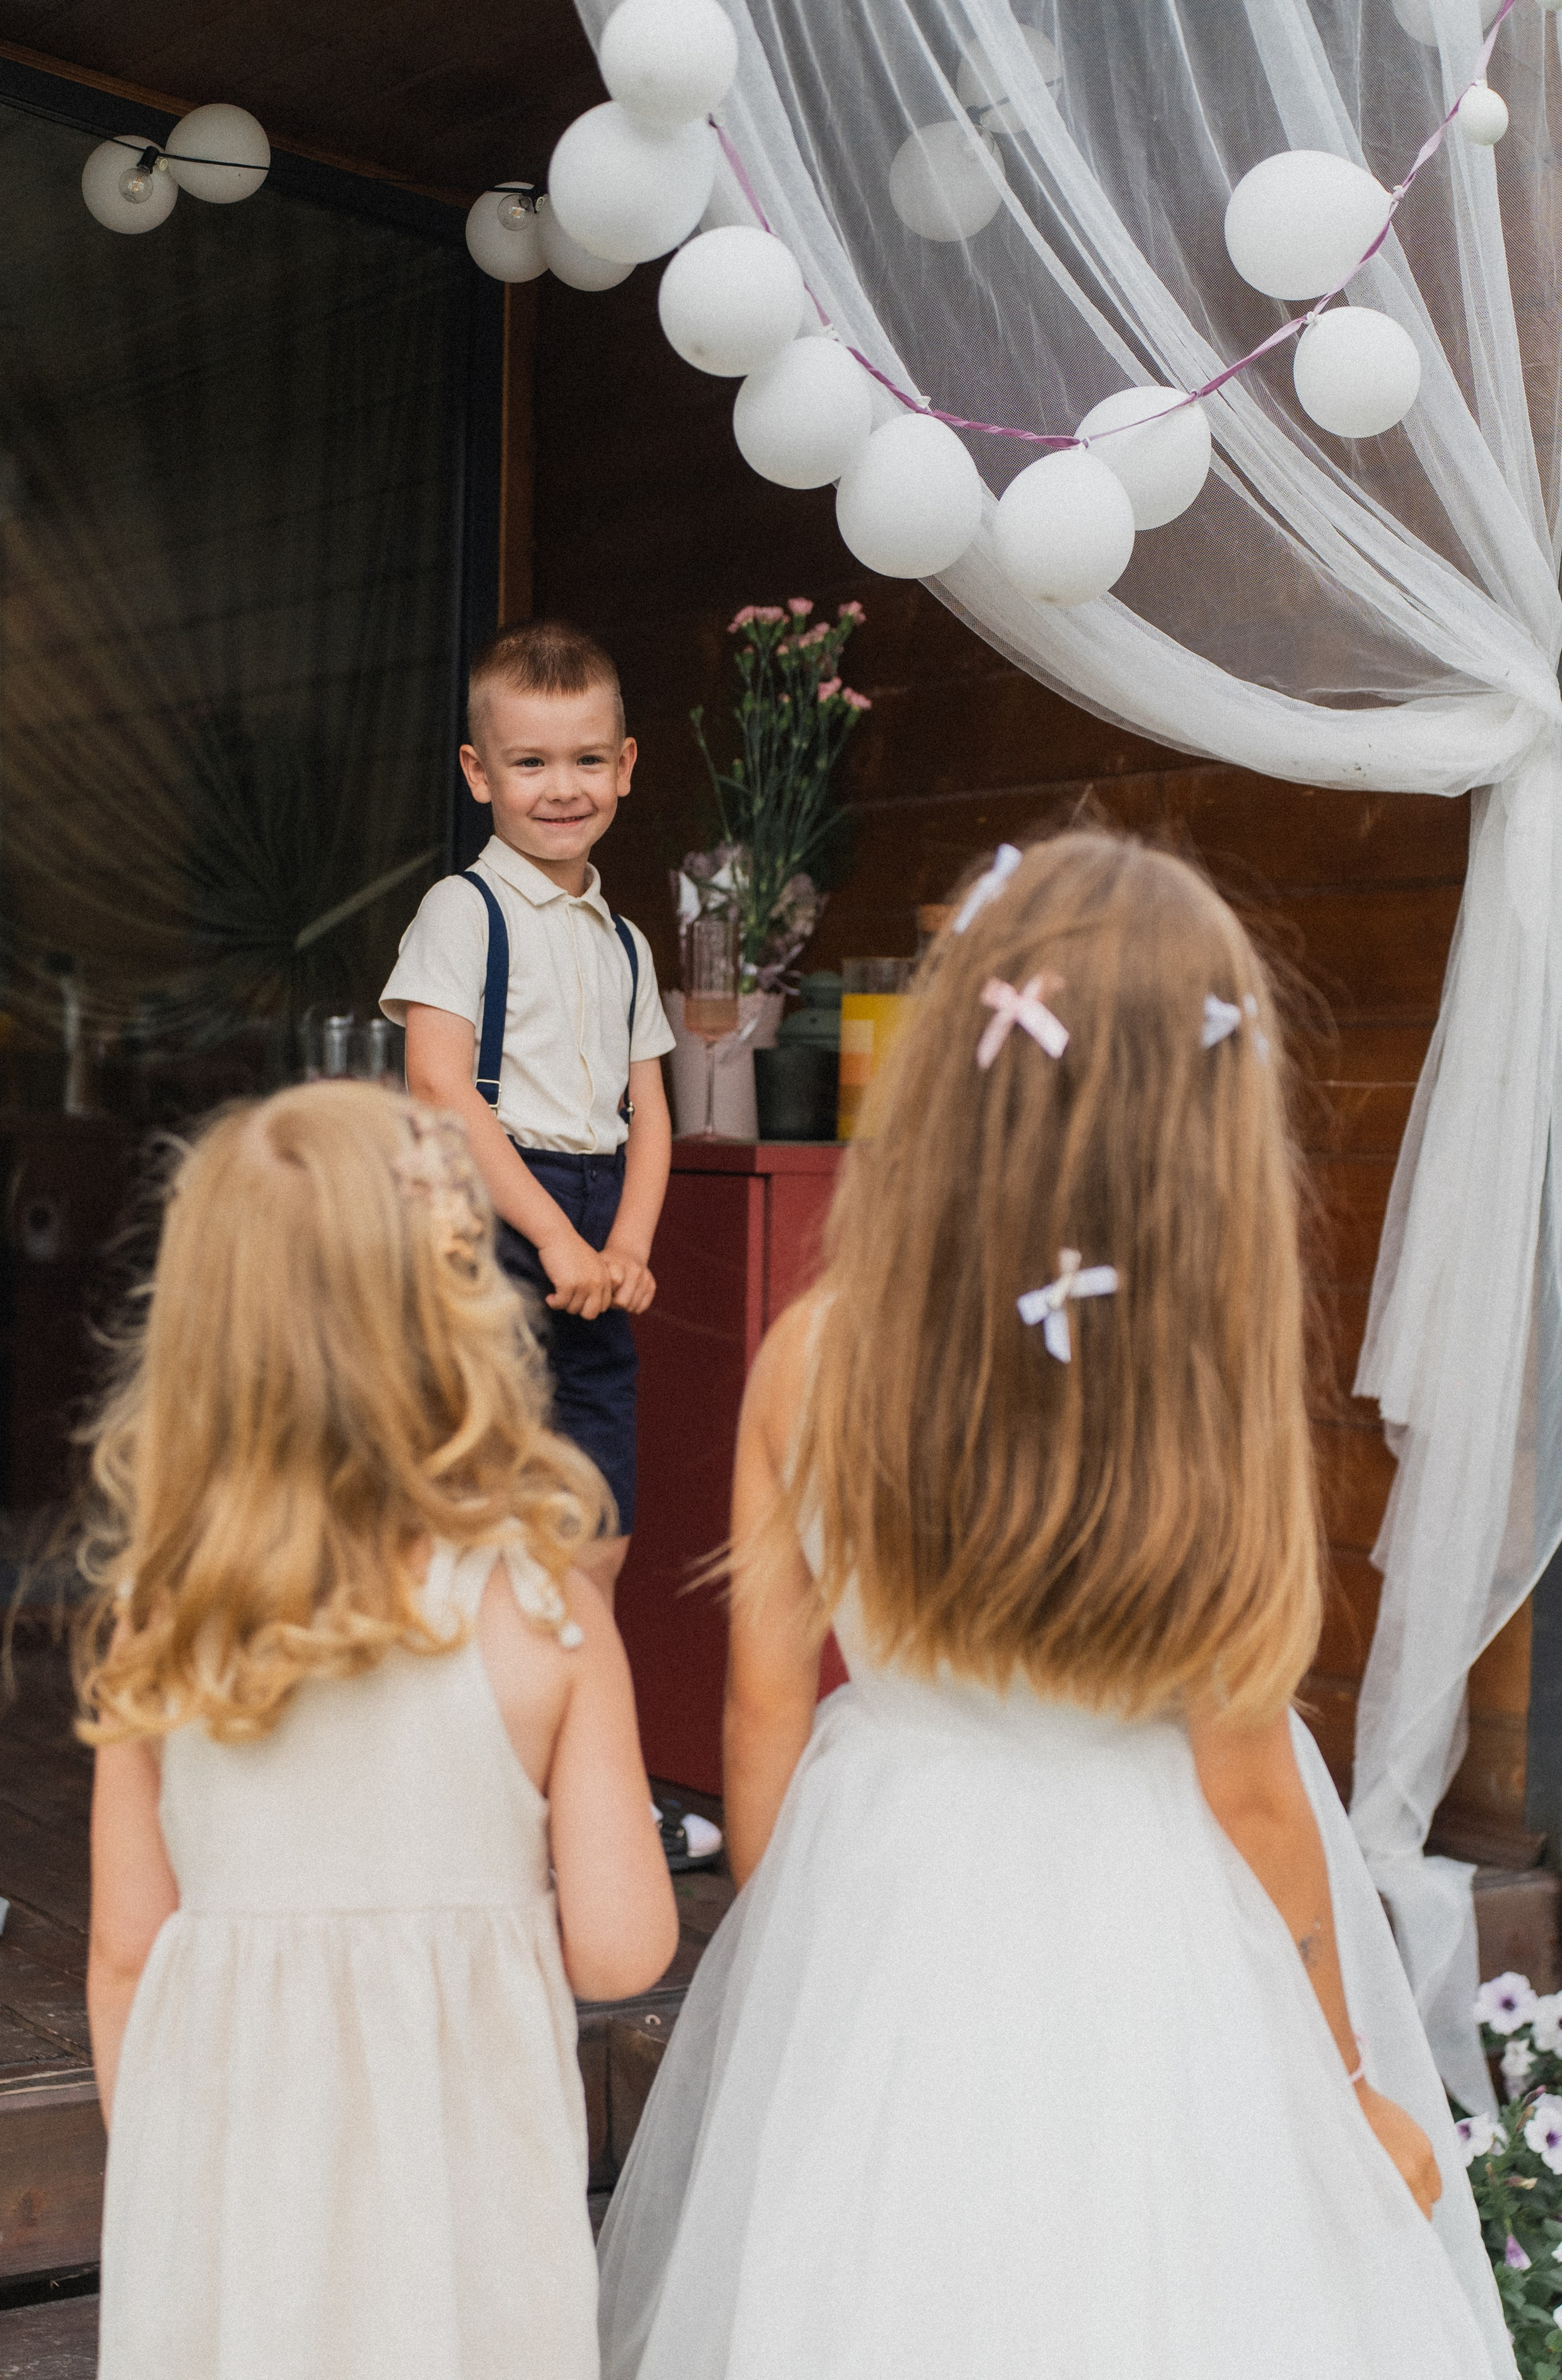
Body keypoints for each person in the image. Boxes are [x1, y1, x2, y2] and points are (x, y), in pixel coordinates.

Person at [598, 833, 1517, 2380]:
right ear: (1199, 1128)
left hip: (883, 1895)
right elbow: (1248, 1790)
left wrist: (789, 1959)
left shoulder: (815, 1353)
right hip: (1140, 1919)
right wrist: (1344, 2072)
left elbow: (761, 1703)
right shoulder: (1194, 1401)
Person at [81, 1084, 679, 2380]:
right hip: (470, 2223)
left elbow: (124, 1957)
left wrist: (174, 2190)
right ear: (459, 1312)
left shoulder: (164, 1618)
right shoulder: (545, 1614)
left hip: (232, 2220)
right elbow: (624, 1948)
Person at [382, 620, 673, 1615]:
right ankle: (469, 1688)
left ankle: (572, 1688)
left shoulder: (627, 942)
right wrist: (551, 1235)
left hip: (594, 1225)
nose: (563, 788)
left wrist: (627, 1244)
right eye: (530, 763)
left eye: (587, 760)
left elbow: (649, 1112)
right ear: (480, 774)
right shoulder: (462, 911)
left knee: (597, 1508)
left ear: (624, 766)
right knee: (473, 1488)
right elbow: (438, 1086)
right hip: (494, 1216)